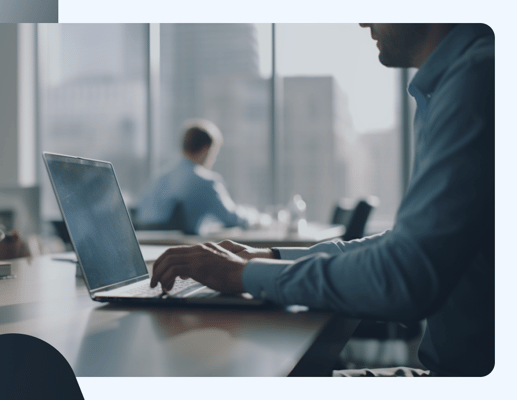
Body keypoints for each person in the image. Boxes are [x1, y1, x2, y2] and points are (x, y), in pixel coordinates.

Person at [150, 24, 494, 377]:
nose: (363, 20)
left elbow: (405, 273)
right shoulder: (462, 81)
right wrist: (269, 256)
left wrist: (246, 273)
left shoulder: (477, 81)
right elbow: (405, 249)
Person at [134, 119, 251, 234]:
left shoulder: (158, 177)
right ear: (207, 149)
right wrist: (257, 218)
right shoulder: (206, 182)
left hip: (149, 248)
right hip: (182, 248)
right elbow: (232, 218)